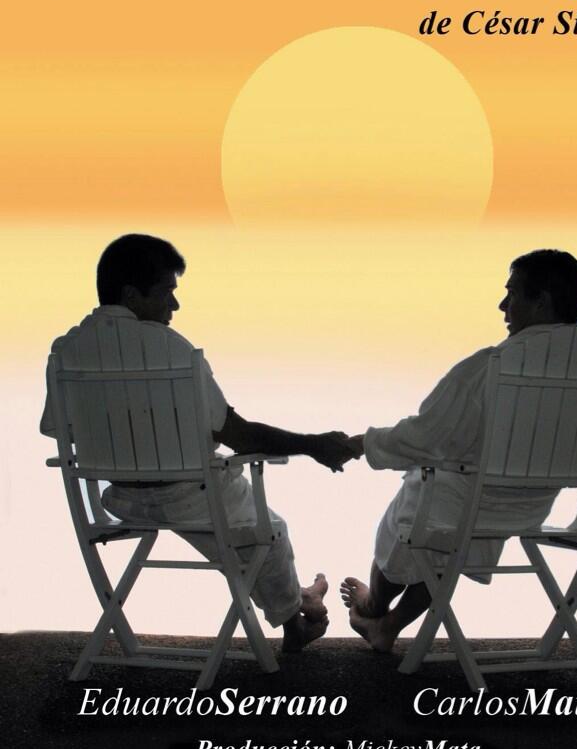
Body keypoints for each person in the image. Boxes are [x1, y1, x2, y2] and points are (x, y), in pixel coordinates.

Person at [41, 234, 354, 653]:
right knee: (265, 532)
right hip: (192, 496)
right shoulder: (172, 347)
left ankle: (298, 603)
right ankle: (296, 615)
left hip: (123, 502)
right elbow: (239, 436)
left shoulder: (65, 350)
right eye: (166, 292)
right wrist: (314, 444)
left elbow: (60, 431)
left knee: (231, 529)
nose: (174, 305)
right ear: (132, 295)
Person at [340, 249, 577, 652]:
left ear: (541, 302)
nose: (503, 305)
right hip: (532, 508)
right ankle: (390, 625)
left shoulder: (492, 365)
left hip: (471, 504)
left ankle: (375, 607)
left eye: (512, 294)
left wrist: (361, 444)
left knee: (422, 500)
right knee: (450, 521)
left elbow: (426, 435)